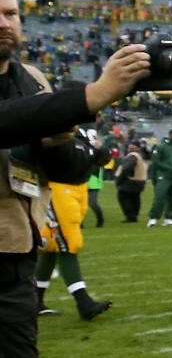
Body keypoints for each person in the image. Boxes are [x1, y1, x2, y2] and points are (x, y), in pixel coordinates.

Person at [0, 0, 150, 358]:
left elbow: (65, 170)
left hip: (13, 246)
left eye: (13, 13)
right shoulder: (38, 95)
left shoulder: (31, 81)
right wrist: (87, 97)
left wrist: (65, 131)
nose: (6, 22)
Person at [26, 123, 112, 319]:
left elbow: (84, 156)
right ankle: (83, 302)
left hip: (77, 188)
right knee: (68, 242)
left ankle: (35, 302)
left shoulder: (79, 131)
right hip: (57, 187)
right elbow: (61, 153)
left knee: (53, 248)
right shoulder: (53, 127)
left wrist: (97, 155)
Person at [147, 128, 172, 227]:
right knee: (159, 196)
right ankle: (153, 218)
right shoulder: (161, 147)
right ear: (170, 135)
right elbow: (156, 161)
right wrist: (167, 168)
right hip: (164, 175)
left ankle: (169, 217)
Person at [114, 140, 148, 222]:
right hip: (140, 180)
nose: (130, 146)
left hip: (131, 181)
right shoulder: (141, 155)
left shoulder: (133, 156)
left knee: (124, 198)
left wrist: (119, 179)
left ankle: (131, 217)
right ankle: (134, 215)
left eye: (133, 145)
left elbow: (127, 168)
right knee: (135, 198)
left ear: (137, 147)